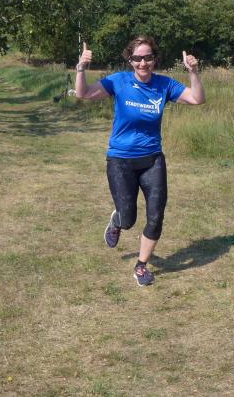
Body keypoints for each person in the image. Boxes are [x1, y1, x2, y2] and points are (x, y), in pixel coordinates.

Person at [74, 35, 205, 286]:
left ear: (154, 59)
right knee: (129, 219)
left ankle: (141, 265)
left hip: (152, 160)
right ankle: (117, 220)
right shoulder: (119, 81)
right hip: (120, 160)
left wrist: (193, 73)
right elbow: (84, 93)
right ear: (130, 60)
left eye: (148, 57)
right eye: (137, 58)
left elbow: (197, 99)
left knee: (156, 216)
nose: (143, 63)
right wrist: (81, 68)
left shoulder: (164, 85)